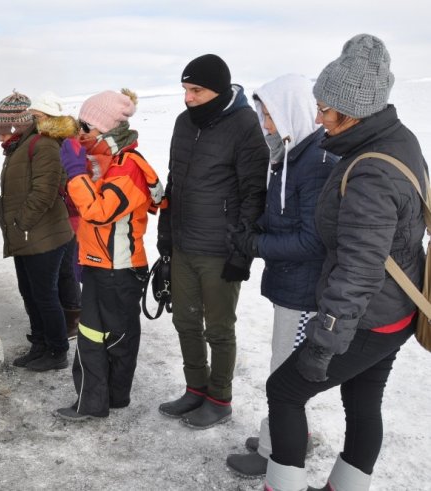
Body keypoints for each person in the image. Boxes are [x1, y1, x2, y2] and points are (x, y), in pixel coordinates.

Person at [264, 34, 427, 491]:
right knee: (363, 399)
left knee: (285, 391)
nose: (318, 118)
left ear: (354, 110)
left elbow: (360, 265)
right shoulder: (399, 139)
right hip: (395, 311)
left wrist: (324, 340)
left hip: (368, 317)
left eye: (326, 109)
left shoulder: (370, 170)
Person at [224, 74, 337, 477]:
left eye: (271, 115)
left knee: (283, 375)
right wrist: (255, 227)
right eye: (262, 115)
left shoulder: (317, 163)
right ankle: (286, 434)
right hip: (290, 283)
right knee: (283, 367)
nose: (266, 125)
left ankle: (276, 451)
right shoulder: (293, 155)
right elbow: (286, 216)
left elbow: (312, 241)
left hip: (304, 289)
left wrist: (256, 245)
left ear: (292, 112)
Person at [157, 54, 269, 428]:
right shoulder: (183, 123)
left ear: (218, 90)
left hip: (220, 250)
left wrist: (242, 252)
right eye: (185, 90)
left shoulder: (244, 125)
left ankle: (219, 399)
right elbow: (174, 181)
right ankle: (196, 389)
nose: (188, 98)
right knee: (184, 321)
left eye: (196, 90)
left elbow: (254, 193)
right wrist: (165, 234)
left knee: (218, 328)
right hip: (184, 244)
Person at [54, 88, 165, 421]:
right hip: (106, 266)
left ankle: (95, 403)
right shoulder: (108, 163)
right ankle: (110, 398)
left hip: (117, 270)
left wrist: (75, 173)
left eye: (85, 127)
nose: (79, 134)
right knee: (113, 335)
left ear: (104, 128)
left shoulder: (127, 167)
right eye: (78, 126)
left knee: (98, 337)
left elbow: (99, 211)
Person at [0, 91, 74, 371]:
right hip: (26, 237)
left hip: (44, 237)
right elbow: (9, 197)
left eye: (2, 131)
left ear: (16, 125)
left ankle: (57, 351)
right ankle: (40, 343)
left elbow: (43, 194)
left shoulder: (43, 145)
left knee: (45, 295)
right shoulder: (17, 149)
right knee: (30, 293)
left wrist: (21, 224)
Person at [28, 91, 82, 338]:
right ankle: (65, 315)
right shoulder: (47, 139)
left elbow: (74, 179)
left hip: (71, 214)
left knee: (66, 269)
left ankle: (73, 318)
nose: (32, 120)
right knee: (60, 269)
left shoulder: (66, 142)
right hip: (59, 212)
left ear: (48, 117)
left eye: (36, 115)